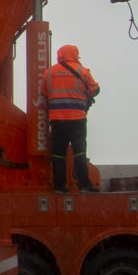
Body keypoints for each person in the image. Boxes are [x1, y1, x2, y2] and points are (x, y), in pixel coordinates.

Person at [44, 42, 101, 192]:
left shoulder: (49, 73)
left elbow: (44, 93)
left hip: (57, 120)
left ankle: (59, 187)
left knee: (58, 154)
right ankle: (84, 185)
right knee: (80, 152)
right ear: (75, 55)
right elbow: (95, 90)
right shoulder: (83, 71)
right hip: (77, 120)